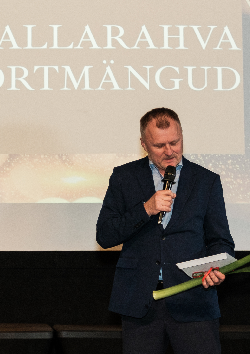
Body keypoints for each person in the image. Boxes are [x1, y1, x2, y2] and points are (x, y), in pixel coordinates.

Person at [96, 107, 234, 354]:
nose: (170, 151)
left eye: (175, 142)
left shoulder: (206, 180)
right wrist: (146, 209)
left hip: (194, 300)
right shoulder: (124, 177)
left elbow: (220, 239)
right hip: (140, 302)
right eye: (159, 145)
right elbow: (105, 235)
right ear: (143, 144)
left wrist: (216, 268)